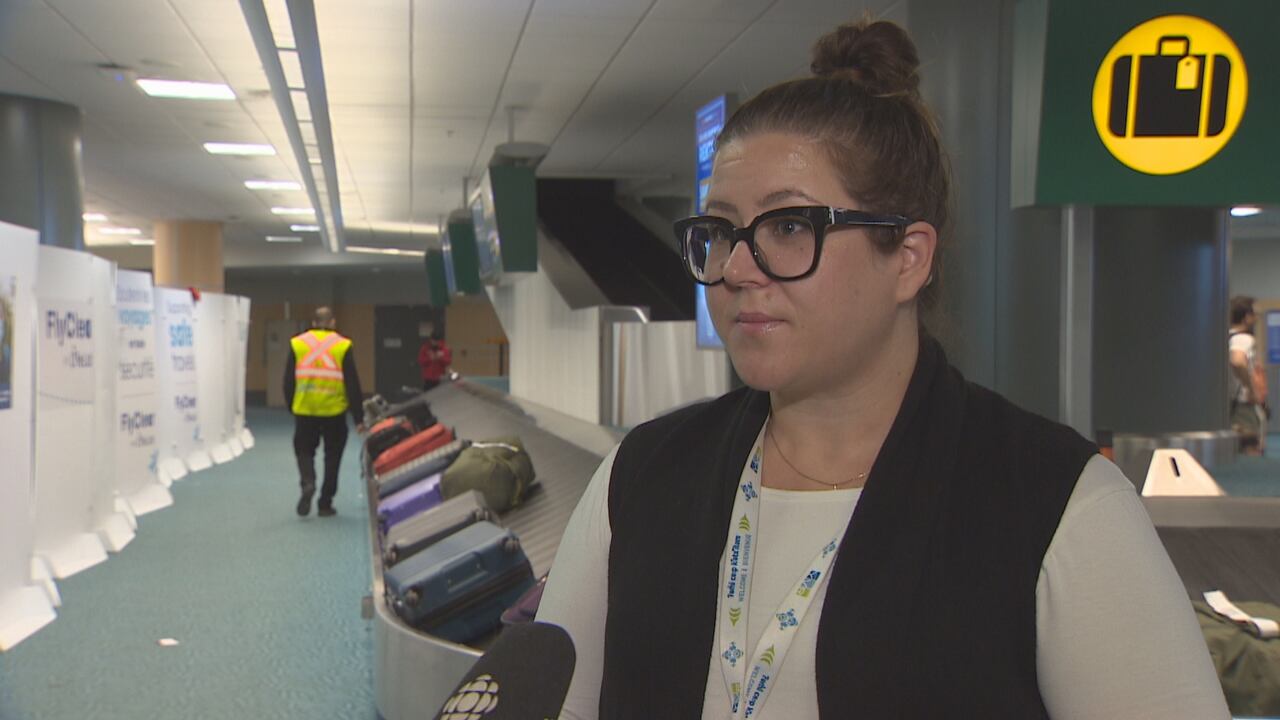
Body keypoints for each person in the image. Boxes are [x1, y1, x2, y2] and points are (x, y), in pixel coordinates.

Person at [535, 19, 1229, 719]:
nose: (737, 269)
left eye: (789, 227)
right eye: (719, 232)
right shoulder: (642, 479)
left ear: (908, 259)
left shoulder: (1055, 507)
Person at [283, 306, 365, 517]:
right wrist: (358, 417)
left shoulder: (298, 343)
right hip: (334, 410)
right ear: (333, 323)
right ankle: (325, 502)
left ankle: (308, 482)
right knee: (333, 455)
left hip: (305, 409)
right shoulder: (342, 345)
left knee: (304, 450)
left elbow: (288, 380)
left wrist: (292, 405)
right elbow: (352, 382)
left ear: (313, 323)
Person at [1229, 295, 1267, 456]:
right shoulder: (1243, 339)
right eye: (1255, 314)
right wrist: (1250, 388)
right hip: (1243, 405)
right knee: (1251, 450)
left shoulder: (1223, 337)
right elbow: (1237, 360)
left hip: (1228, 405)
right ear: (1246, 317)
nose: (1257, 318)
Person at [417, 323, 452, 391]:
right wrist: (430, 359)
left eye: (436, 341)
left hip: (439, 378)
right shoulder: (425, 348)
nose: (435, 342)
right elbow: (421, 361)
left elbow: (448, 361)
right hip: (428, 378)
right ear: (431, 340)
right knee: (427, 395)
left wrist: (440, 358)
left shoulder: (444, 349)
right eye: (433, 340)